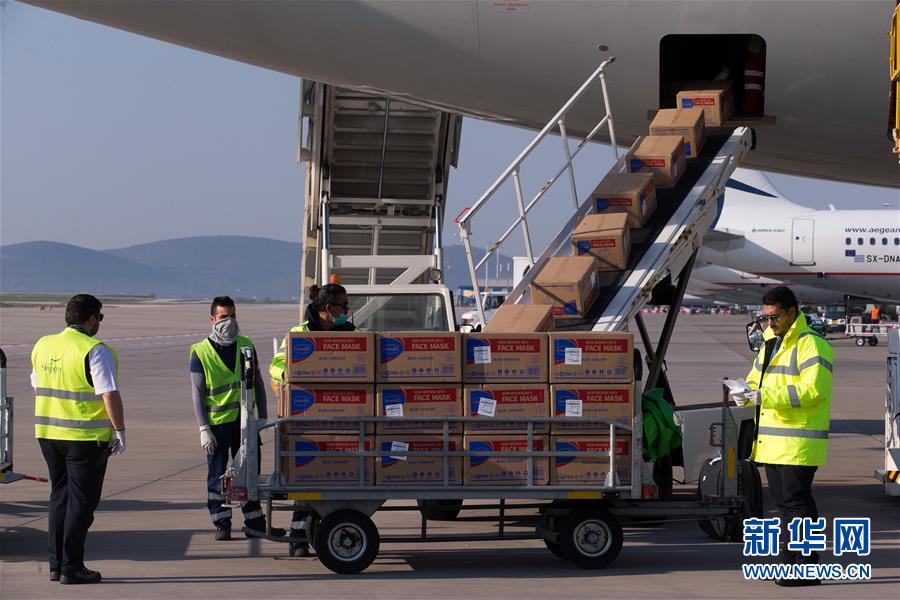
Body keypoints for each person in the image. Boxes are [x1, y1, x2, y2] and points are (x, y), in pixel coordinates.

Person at [732, 286, 834, 587]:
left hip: (798, 442)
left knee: (796, 505)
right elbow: (755, 380)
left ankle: (800, 567)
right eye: (765, 317)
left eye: (774, 317)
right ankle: (796, 564)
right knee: (788, 506)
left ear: (792, 312)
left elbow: (812, 391)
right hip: (774, 443)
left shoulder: (812, 345)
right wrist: (745, 393)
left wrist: (764, 396)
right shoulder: (769, 343)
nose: (769, 322)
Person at [31, 294, 127, 585]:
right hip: (84, 438)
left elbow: (37, 384)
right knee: (82, 504)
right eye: (100, 317)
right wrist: (120, 430)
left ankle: (56, 565)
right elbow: (108, 393)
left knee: (59, 497)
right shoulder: (95, 350)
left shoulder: (43, 345)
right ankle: (71, 566)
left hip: (48, 434)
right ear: (91, 319)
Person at [269, 283, 357, 555]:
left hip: (343, 418)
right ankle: (298, 537)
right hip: (307, 420)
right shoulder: (298, 335)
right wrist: (295, 377)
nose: (347, 310)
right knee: (307, 480)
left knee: (340, 481)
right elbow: (277, 366)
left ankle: (324, 530)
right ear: (328, 308)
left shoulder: (352, 334)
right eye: (343, 305)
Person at [190, 296, 284, 541]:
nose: (229, 322)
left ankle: (255, 522)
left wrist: (262, 417)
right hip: (217, 425)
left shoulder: (245, 345)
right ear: (212, 320)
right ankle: (221, 522)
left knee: (249, 473)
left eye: (232, 316)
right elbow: (197, 394)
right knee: (217, 475)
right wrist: (203, 428)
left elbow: (258, 382)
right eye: (223, 317)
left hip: (245, 423)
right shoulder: (201, 352)